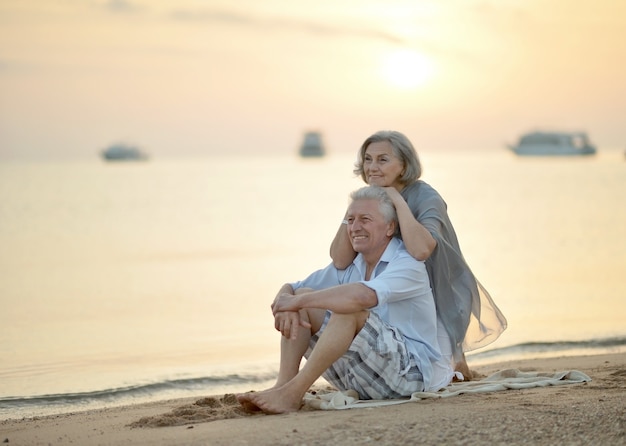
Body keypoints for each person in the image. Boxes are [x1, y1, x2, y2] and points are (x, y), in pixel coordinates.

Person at [237, 185, 453, 414]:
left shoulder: (408, 263)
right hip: (363, 377)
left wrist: (297, 302)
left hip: (410, 375)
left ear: (390, 227)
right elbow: (292, 288)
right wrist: (286, 303)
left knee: (348, 309)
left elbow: (362, 296)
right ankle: (283, 387)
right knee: (302, 298)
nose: (355, 227)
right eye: (350, 220)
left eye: (365, 219)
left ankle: (293, 393)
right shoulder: (353, 264)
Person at [330, 130, 507, 379]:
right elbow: (340, 259)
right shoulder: (371, 199)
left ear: (403, 165)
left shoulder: (427, 197)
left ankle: (460, 365)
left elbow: (421, 250)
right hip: (403, 288)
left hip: (443, 292)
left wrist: (396, 200)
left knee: (449, 372)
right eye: (368, 159)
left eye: (383, 160)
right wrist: (353, 209)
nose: (372, 167)